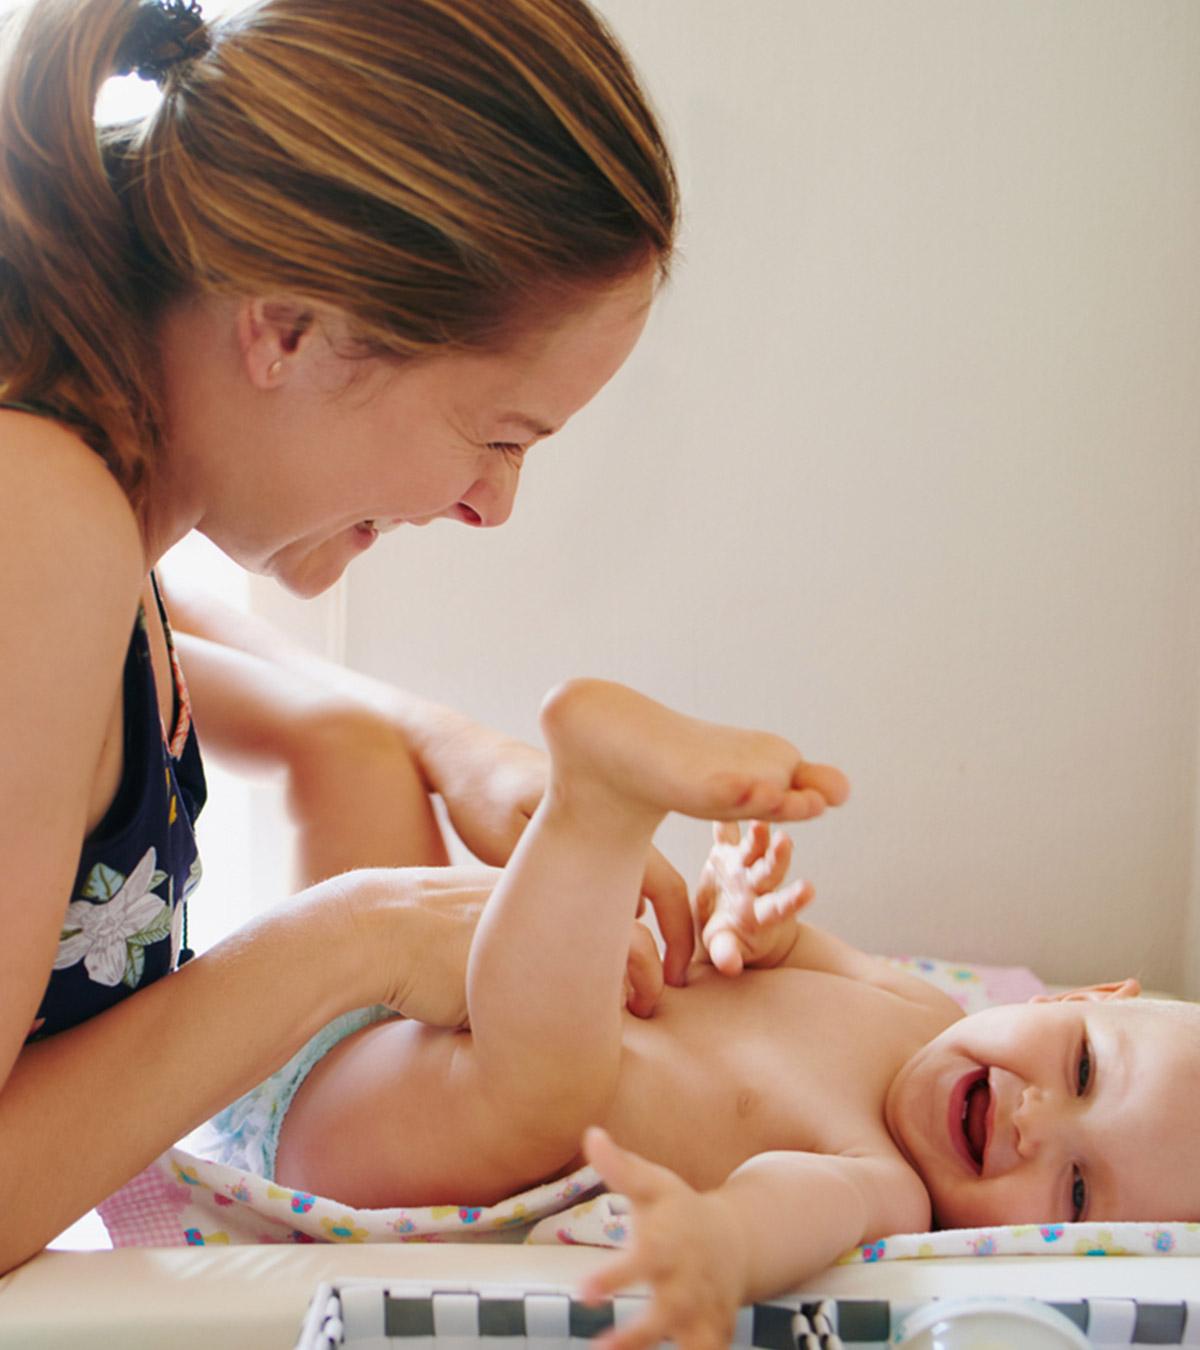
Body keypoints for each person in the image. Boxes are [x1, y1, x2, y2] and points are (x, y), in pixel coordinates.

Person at [0, 0, 687, 1273]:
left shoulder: (81, 500)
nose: (491, 505)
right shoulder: (38, 519)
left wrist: (439, 740)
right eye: (500, 435)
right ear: (289, 327)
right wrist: (349, 939)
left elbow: (138, 650)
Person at [210, 677, 1200, 1350]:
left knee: (552, 1093)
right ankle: (133, 627)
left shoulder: (885, 1190)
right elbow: (771, 956)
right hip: (387, 999)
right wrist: (743, 910)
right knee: (356, 749)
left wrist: (719, 1246)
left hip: (382, 1135)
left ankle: (595, 806)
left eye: (1074, 1193)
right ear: (1077, 999)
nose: (1033, 1124)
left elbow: (780, 1210)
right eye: (1080, 1070)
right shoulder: (921, 1004)